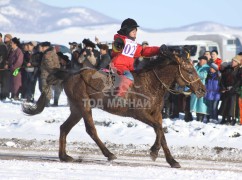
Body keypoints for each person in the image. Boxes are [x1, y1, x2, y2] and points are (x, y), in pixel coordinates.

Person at [111, 18, 162, 102]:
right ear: (126, 30)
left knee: (140, 78)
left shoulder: (134, 44)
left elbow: (144, 51)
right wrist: (118, 46)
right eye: (133, 30)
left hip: (129, 68)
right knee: (128, 76)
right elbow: (115, 50)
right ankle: (119, 98)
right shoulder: (120, 40)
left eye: (136, 30)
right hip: (118, 66)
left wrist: (159, 50)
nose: (135, 32)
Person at [219, 55, 242, 125]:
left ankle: (233, 118)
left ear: (238, 63)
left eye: (235, 61)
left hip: (234, 90)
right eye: (232, 61)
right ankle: (224, 118)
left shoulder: (239, 70)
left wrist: (234, 88)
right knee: (225, 104)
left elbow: (239, 81)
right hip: (226, 89)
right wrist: (223, 87)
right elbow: (222, 79)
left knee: (232, 104)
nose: (233, 62)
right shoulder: (227, 69)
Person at [40, 41, 60, 106]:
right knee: (48, 88)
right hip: (52, 73)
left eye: (43, 47)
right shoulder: (53, 53)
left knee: (45, 88)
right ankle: (47, 101)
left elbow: (49, 64)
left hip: (46, 74)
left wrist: (52, 71)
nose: (42, 48)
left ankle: (46, 102)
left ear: (46, 47)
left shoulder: (47, 54)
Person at [190, 56, 210, 122]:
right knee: (196, 102)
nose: (200, 61)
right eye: (199, 60)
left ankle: (201, 118)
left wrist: (195, 74)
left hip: (203, 87)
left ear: (205, 61)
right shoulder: (197, 66)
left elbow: (203, 75)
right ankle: (197, 117)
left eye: (201, 60)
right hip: (196, 87)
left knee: (202, 103)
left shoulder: (207, 67)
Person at [0, 33, 8, 100]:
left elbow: (3, 57)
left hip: (2, 67)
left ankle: (3, 95)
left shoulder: (3, 46)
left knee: (3, 82)